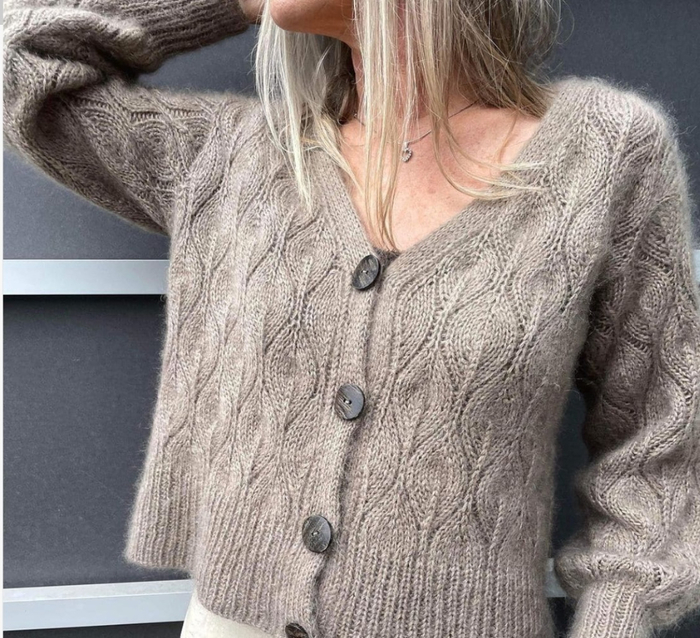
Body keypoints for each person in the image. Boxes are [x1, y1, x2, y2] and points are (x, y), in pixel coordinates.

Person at [4, 1, 700, 638]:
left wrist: (616, 619)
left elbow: (663, 440)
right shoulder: (228, 157)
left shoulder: (604, 155)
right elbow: (20, 56)